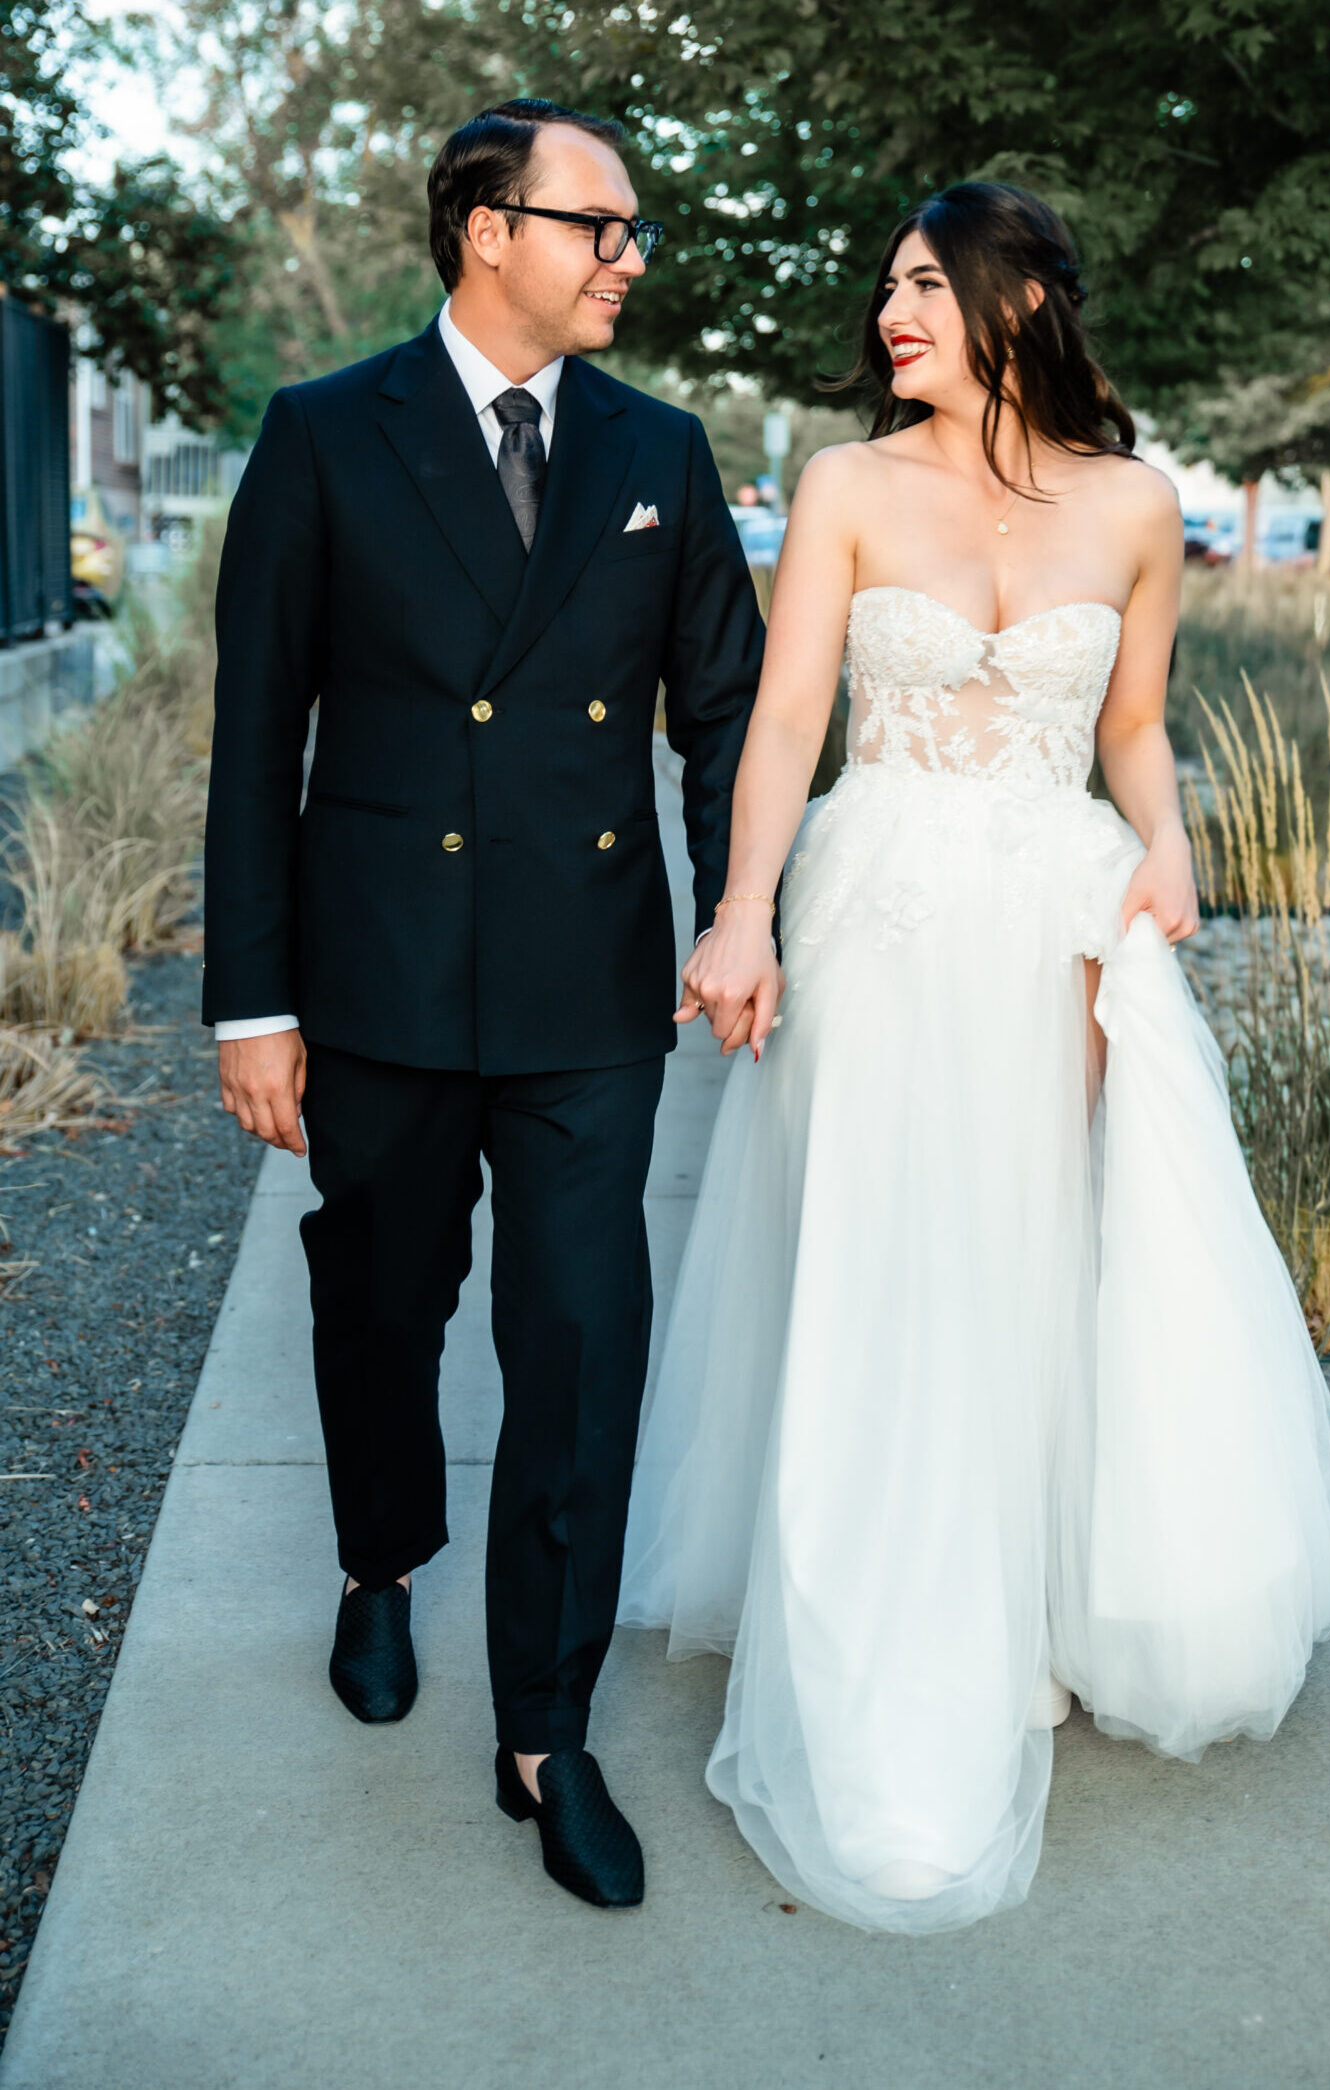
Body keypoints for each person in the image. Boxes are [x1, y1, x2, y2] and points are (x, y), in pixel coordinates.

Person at [618, 182, 1330, 1932]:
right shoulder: (847, 486)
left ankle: (1024, 1611)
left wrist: (1165, 846)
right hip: (878, 909)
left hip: (1058, 916)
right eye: (888, 285)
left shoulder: (1135, 504)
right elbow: (788, 713)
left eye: (928, 284)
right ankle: (876, 1629)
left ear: (1017, 304)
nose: (894, 311)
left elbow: (1131, 722)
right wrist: (738, 912)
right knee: (888, 1255)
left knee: (1039, 1248)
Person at [204, 99, 764, 1909]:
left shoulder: (658, 451)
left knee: (580, 1345)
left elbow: (727, 716)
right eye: (595, 225)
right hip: (370, 979)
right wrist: (249, 1004)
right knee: (381, 1301)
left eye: (631, 230)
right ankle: (380, 1560)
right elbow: (250, 740)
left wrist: (742, 909)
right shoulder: (321, 435)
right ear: (482, 232)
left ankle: (547, 1724)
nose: (626, 257)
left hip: (589, 989)